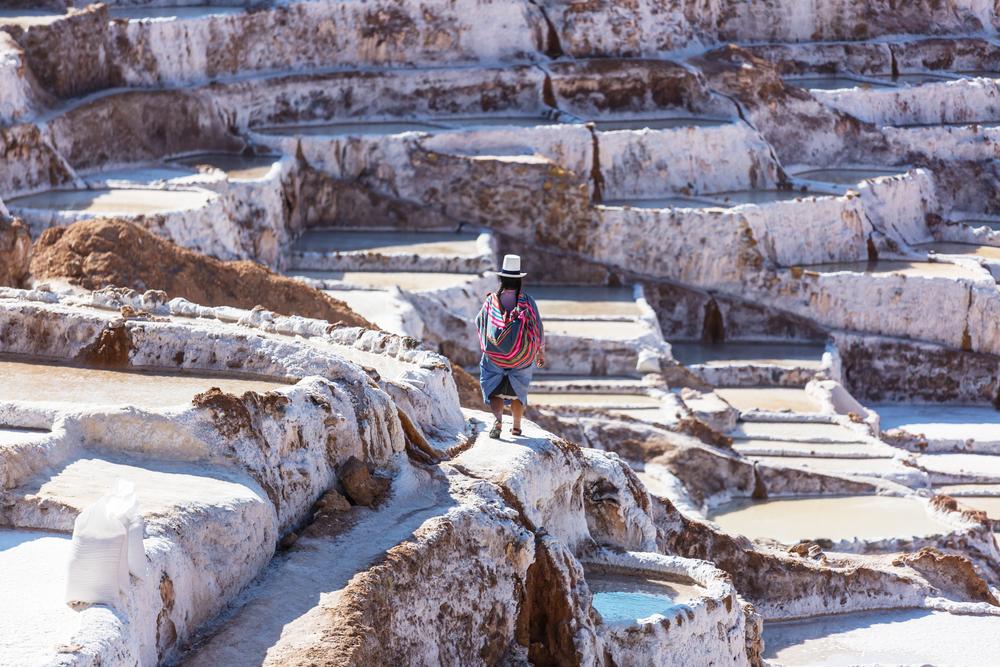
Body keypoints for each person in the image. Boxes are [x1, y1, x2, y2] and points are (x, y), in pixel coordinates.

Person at [475, 254, 545, 439]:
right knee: (519, 391)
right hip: (521, 357)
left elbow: (479, 321)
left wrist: (490, 343)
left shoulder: (492, 301)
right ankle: (516, 427)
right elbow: (537, 327)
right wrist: (539, 351)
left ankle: (498, 420)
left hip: (495, 356)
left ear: (502, 279)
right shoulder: (527, 301)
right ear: (519, 280)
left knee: (494, 389)